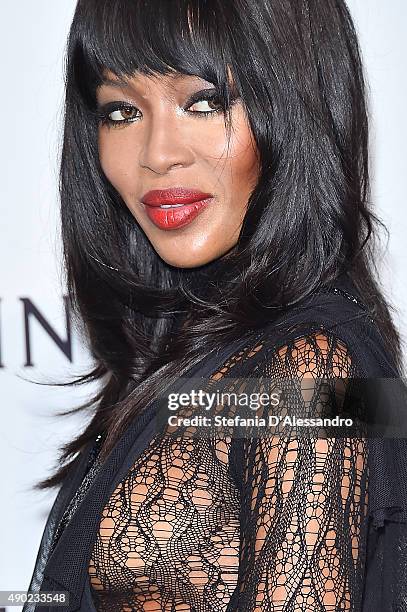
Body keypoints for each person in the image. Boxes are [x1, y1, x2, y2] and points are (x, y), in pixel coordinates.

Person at [23, 0, 407, 610]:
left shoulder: (308, 370)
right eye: (121, 110)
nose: (157, 153)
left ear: (297, 107)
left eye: (203, 102)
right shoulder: (196, 354)